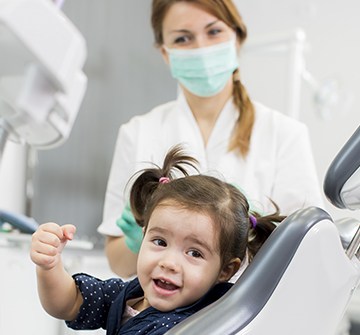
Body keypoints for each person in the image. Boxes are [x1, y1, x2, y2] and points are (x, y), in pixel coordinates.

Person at [98, 0, 324, 278]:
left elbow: (308, 250)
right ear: (165, 53)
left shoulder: (285, 134)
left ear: (237, 38)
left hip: (250, 315)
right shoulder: (138, 132)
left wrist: (252, 231)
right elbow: (117, 264)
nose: (201, 48)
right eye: (183, 38)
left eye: (214, 32)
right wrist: (137, 241)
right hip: (160, 316)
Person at [30, 146, 284, 334]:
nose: (169, 262)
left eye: (194, 253)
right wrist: (49, 266)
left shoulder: (200, 321)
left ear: (225, 270)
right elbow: (70, 302)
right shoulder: (130, 295)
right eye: (160, 242)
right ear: (143, 237)